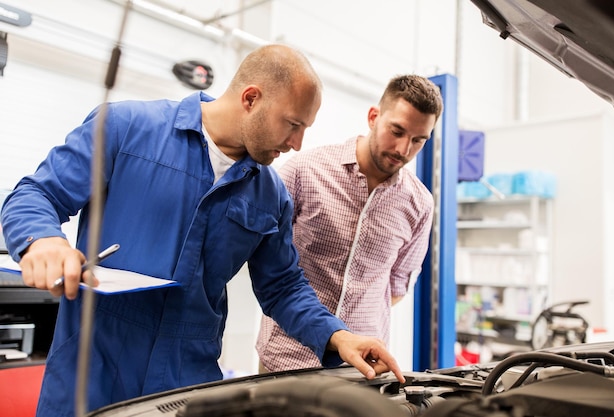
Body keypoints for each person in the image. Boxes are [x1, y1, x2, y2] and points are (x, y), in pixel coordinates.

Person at [0, 44, 404, 417]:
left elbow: (282, 287)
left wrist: (338, 336)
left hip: (186, 380)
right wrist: (43, 239)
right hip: (91, 368)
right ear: (251, 99)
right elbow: (35, 194)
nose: (297, 143)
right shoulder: (125, 128)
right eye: (293, 124)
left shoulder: (271, 194)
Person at [256, 74, 444, 372]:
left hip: (361, 368)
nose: (403, 149)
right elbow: (265, 260)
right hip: (287, 358)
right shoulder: (304, 172)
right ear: (373, 117)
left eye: (418, 140)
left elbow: (395, 288)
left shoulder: (419, 204)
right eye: (397, 131)